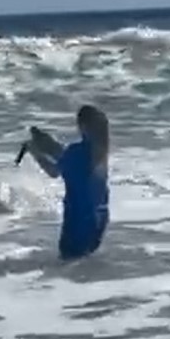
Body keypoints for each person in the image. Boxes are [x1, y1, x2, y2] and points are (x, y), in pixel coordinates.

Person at [26, 104, 110, 260]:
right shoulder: (100, 153)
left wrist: (34, 151)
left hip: (77, 220)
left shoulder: (76, 152)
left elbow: (53, 171)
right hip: (99, 220)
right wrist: (47, 143)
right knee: (83, 265)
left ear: (82, 126)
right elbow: (66, 158)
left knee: (67, 263)